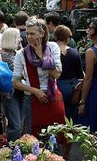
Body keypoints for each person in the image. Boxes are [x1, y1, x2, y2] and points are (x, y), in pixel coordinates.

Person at [12, 18, 66, 147]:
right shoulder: (21, 54)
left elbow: (57, 74)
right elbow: (15, 82)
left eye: (32, 33)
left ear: (42, 33)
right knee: (34, 138)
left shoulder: (53, 48)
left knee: (55, 136)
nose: (28, 36)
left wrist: (41, 56)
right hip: (31, 99)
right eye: (27, 33)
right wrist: (35, 91)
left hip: (52, 97)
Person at [54, 25, 83, 125]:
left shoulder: (51, 52)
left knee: (58, 115)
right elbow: (80, 73)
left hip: (57, 86)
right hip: (72, 87)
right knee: (72, 117)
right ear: (67, 37)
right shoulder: (75, 52)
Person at [0, 28, 24, 141]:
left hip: (18, 92)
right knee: (16, 126)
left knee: (19, 124)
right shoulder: (5, 56)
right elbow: (20, 73)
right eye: (18, 37)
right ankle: (12, 151)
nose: (21, 39)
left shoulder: (14, 53)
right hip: (10, 94)